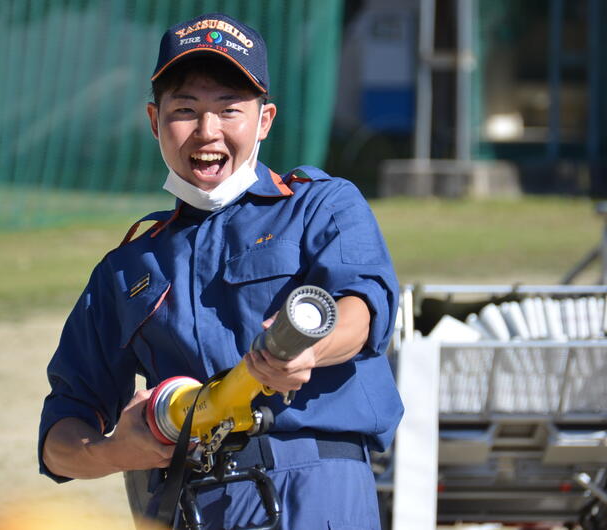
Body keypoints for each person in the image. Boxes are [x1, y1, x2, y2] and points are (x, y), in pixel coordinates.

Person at [39, 12, 403, 530]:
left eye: (229, 110)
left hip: (315, 490)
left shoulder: (321, 205)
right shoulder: (126, 268)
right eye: (185, 110)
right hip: (188, 502)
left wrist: (308, 350)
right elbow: (59, 438)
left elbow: (362, 308)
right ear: (154, 121)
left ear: (264, 120)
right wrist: (115, 451)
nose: (207, 132)